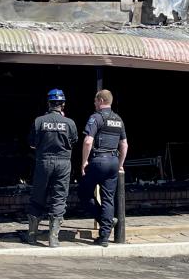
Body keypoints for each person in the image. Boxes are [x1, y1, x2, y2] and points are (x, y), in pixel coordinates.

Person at [27, 88, 78, 247]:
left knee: (38, 196)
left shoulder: (39, 121)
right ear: (62, 104)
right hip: (63, 163)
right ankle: (53, 238)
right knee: (59, 198)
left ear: (48, 103)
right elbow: (74, 141)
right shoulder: (70, 123)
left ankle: (32, 236)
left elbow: (32, 144)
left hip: (44, 162)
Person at [79, 89, 128, 247]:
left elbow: (88, 141)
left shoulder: (96, 118)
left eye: (95, 101)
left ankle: (104, 220)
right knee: (108, 199)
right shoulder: (119, 120)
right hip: (113, 162)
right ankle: (105, 236)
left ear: (100, 101)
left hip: (98, 161)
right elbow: (125, 145)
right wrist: (120, 164)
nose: (94, 104)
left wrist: (84, 162)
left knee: (84, 194)